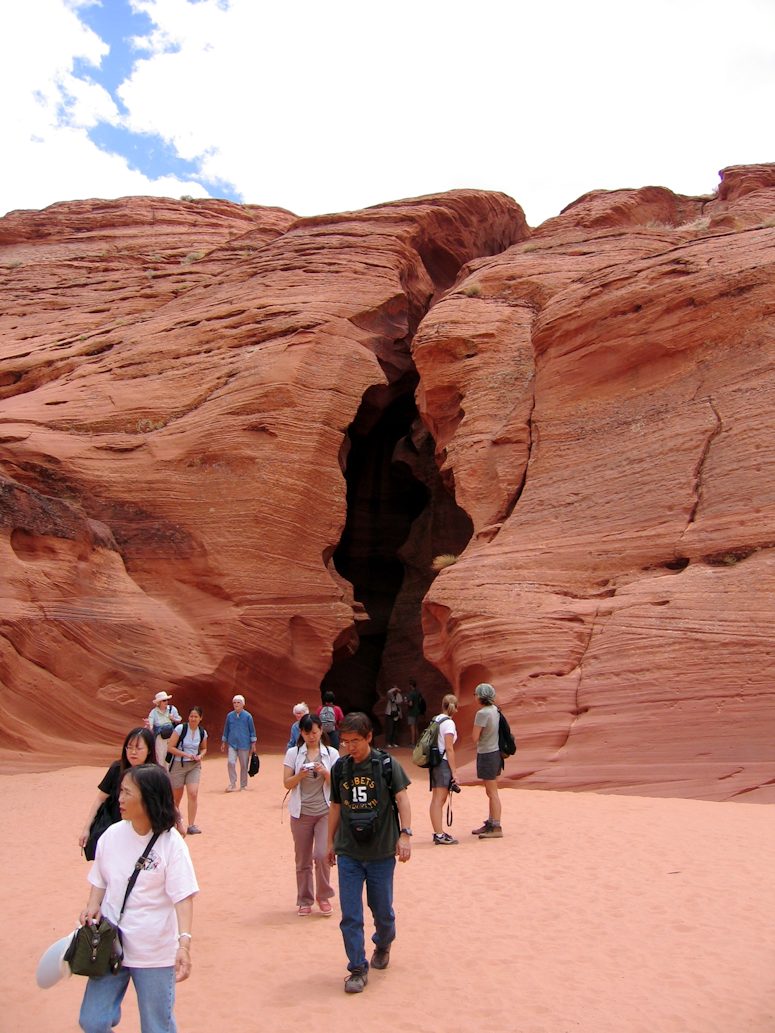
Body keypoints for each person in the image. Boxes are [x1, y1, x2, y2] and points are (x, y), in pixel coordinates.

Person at [77, 763, 198, 1033]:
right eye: (120, 792)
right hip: (111, 946)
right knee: (92, 1021)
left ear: (148, 799)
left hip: (153, 953)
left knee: (157, 1026)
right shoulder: (111, 835)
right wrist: (92, 907)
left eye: (127, 793)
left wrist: (184, 944)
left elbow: (183, 897)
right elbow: (100, 880)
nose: (119, 799)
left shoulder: (171, 844)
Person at [327, 712, 412, 994]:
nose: (349, 747)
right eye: (345, 742)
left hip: (380, 853)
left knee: (383, 912)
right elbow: (336, 807)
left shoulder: (387, 765)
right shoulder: (340, 768)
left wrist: (405, 834)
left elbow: (402, 798)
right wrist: (329, 842)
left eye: (355, 741)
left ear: (368, 737)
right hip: (349, 852)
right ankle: (357, 968)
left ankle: (384, 941)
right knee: (350, 914)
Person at [282, 713, 340, 916]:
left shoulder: (331, 754)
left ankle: (323, 896)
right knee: (303, 858)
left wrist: (325, 773)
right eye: (307, 733)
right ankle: (304, 899)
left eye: (314, 732)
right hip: (301, 813)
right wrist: (301, 774)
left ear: (321, 731)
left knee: (322, 854)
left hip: (325, 811)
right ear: (301, 733)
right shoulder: (293, 753)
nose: (311, 736)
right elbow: (286, 783)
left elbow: (337, 785)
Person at [79, 728, 158, 856]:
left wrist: (179, 821)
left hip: (144, 833)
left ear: (149, 750)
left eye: (138, 748)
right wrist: (86, 828)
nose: (133, 752)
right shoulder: (117, 769)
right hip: (117, 830)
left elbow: (165, 802)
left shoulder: (156, 774)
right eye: (129, 747)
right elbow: (100, 798)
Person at [167, 707, 208, 835]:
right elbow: (170, 747)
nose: (193, 719)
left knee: (193, 793)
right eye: (191, 716)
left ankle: (191, 825)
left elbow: (204, 748)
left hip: (194, 766)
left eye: (196, 716)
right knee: (176, 799)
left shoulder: (202, 732)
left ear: (200, 718)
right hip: (178, 766)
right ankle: (174, 823)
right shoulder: (180, 729)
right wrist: (186, 755)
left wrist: (200, 756)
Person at [471, 682, 503, 838]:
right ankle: (491, 823)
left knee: (492, 792)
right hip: (495, 753)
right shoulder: (496, 710)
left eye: (476, 694)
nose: (474, 697)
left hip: (487, 754)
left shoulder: (482, 713)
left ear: (480, 697)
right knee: (491, 791)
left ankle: (496, 826)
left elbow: (475, 737)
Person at [429, 694, 460, 845]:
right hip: (443, 763)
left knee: (436, 798)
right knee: (440, 799)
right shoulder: (449, 724)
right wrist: (454, 771)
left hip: (435, 763)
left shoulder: (436, 719)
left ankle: (438, 832)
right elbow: (449, 748)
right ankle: (439, 834)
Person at [220, 694, 257, 792]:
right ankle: (232, 784)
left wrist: (253, 743)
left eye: (238, 702)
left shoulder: (248, 716)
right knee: (231, 762)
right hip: (232, 743)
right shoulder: (230, 716)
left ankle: (243, 785)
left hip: (244, 744)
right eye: (234, 703)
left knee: (244, 765)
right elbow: (226, 729)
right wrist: (224, 742)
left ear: (243, 704)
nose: (236, 704)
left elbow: (252, 730)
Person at [146, 692, 181, 766]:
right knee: (160, 758)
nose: (166, 702)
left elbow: (179, 719)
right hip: (160, 739)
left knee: (170, 759)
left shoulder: (172, 709)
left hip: (171, 738)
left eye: (166, 700)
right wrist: (148, 725)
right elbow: (150, 725)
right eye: (164, 700)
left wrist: (173, 718)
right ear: (158, 702)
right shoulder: (154, 712)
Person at [405, 678, 426, 746]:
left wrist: (406, 702)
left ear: (411, 685)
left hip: (412, 712)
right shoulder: (418, 693)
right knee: (416, 727)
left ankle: (413, 742)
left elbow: (410, 704)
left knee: (412, 727)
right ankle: (418, 742)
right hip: (417, 711)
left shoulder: (411, 694)